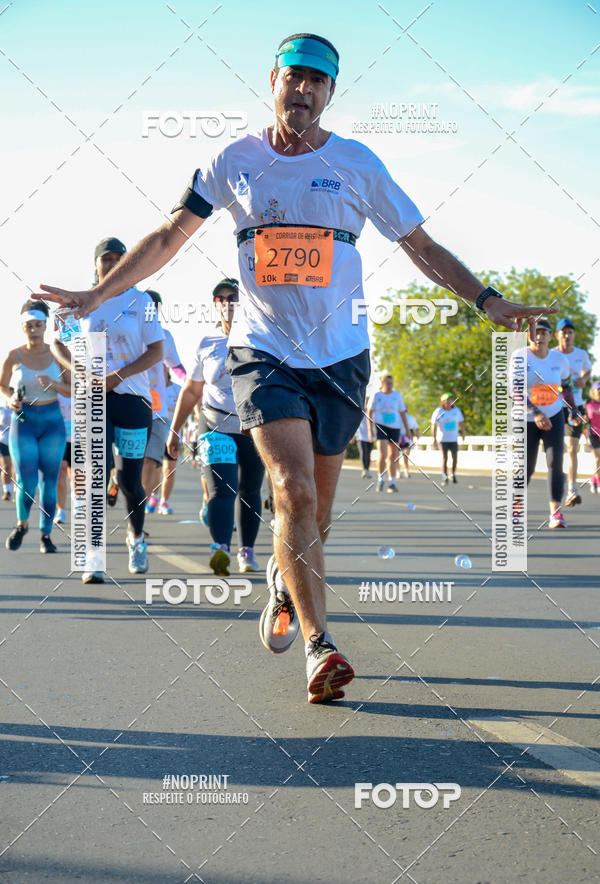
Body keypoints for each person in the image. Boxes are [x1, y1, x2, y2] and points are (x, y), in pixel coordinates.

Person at [35, 33, 557, 703]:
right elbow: (170, 236)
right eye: (294, 77)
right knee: (293, 490)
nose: (304, 89)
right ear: (273, 82)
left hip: (342, 358)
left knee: (317, 512)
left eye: (318, 80)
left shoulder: (357, 163)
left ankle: (285, 581)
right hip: (262, 351)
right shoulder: (234, 159)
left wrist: (488, 301)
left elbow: (420, 246)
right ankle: (320, 646)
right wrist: (97, 294)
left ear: (331, 92)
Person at [51, 237, 163, 580]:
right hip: (91, 400)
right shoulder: (81, 303)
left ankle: (136, 538)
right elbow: (58, 341)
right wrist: (81, 371)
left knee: (130, 480)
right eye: (106, 259)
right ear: (95, 265)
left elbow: (156, 350)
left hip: (132, 399)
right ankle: (93, 558)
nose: (112, 263)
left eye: (119, 258)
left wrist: (120, 375)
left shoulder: (141, 301)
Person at [167, 279, 265, 575]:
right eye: (219, 299)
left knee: (250, 490)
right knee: (223, 489)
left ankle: (246, 551)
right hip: (214, 424)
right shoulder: (206, 343)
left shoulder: (261, 339)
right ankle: (220, 549)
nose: (226, 303)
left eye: (232, 297)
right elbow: (191, 390)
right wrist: (175, 430)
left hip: (253, 427)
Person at [0, 301, 69, 552]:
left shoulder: (58, 353)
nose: (34, 330)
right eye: (29, 326)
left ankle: (46, 535)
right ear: (23, 328)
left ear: (45, 326)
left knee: (49, 482)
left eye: (38, 325)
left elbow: (73, 389)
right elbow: (2, 385)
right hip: (24, 421)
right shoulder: (13, 355)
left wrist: (54, 384)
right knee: (27, 482)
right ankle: (21, 524)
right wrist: (10, 399)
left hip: (52, 420)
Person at [523, 319, 574, 528]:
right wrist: (535, 413)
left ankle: (555, 512)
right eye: (536, 331)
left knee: (556, 463)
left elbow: (566, 384)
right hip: (526, 418)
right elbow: (514, 392)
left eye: (544, 332)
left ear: (551, 337)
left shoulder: (559, 359)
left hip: (554, 415)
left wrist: (573, 409)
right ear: (529, 335)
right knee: (527, 466)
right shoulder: (520, 358)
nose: (540, 336)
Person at [141, 290, 186, 514]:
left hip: (157, 411)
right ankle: (118, 480)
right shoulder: (129, 332)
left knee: (150, 461)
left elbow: (177, 367)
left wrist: (192, 382)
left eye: (153, 310)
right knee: (131, 463)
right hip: (131, 404)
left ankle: (138, 512)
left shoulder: (165, 336)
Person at [553, 318, 592, 507]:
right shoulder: (551, 355)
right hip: (555, 407)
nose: (567, 335)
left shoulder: (581, 354)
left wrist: (584, 379)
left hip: (576, 407)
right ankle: (557, 486)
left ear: (574, 335)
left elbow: (588, 371)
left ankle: (572, 488)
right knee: (557, 450)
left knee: (572, 447)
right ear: (557, 335)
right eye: (563, 332)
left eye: (570, 332)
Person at [368, 375, 412, 492]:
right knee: (383, 454)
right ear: (382, 383)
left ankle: (392, 482)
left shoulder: (397, 395)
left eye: (391, 383)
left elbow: (402, 413)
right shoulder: (377, 395)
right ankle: (380, 479)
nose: (389, 385)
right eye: (387, 383)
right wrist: (370, 430)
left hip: (395, 427)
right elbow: (369, 412)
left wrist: (407, 431)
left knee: (393, 455)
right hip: (381, 426)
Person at [157, 370, 182, 514]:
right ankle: (152, 496)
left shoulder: (177, 389)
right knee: (154, 468)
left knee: (169, 470)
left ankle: (164, 502)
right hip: (155, 433)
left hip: (172, 434)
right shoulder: (151, 388)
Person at [431, 393, 466, 485]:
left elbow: (461, 422)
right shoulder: (438, 411)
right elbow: (433, 425)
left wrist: (463, 434)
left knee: (455, 457)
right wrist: (434, 438)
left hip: (453, 439)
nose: (448, 401)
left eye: (450, 399)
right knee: (444, 458)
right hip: (442, 440)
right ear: (442, 402)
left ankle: (453, 474)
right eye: (446, 400)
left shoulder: (456, 410)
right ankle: (445, 477)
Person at [54, 394, 72, 524]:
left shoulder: (83, 380)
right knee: (61, 471)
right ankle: (60, 510)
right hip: (59, 436)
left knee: (78, 477)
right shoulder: (53, 381)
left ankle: (79, 506)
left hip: (80, 436)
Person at [584, 381, 600, 494]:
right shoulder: (588, 403)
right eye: (598, 389)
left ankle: (593, 479)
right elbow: (585, 420)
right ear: (593, 391)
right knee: (597, 458)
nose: (599, 392)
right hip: (592, 434)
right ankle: (598, 482)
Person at [0, 404, 13, 501]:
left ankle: (17, 491)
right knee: (6, 466)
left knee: (17, 468)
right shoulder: (1, 407)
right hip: (3, 441)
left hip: (17, 441)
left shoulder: (21, 405)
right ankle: (7, 491)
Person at [355, 406, 372, 478]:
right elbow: (354, 424)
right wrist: (352, 436)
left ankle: (367, 470)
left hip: (370, 437)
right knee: (363, 452)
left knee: (368, 453)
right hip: (360, 437)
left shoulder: (371, 413)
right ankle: (364, 469)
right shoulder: (359, 412)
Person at [401, 412, 420, 478]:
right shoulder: (396, 416)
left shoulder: (410, 417)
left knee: (405, 454)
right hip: (398, 436)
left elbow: (416, 427)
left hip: (407, 437)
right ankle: (397, 471)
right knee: (395, 455)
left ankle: (406, 470)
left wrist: (417, 436)